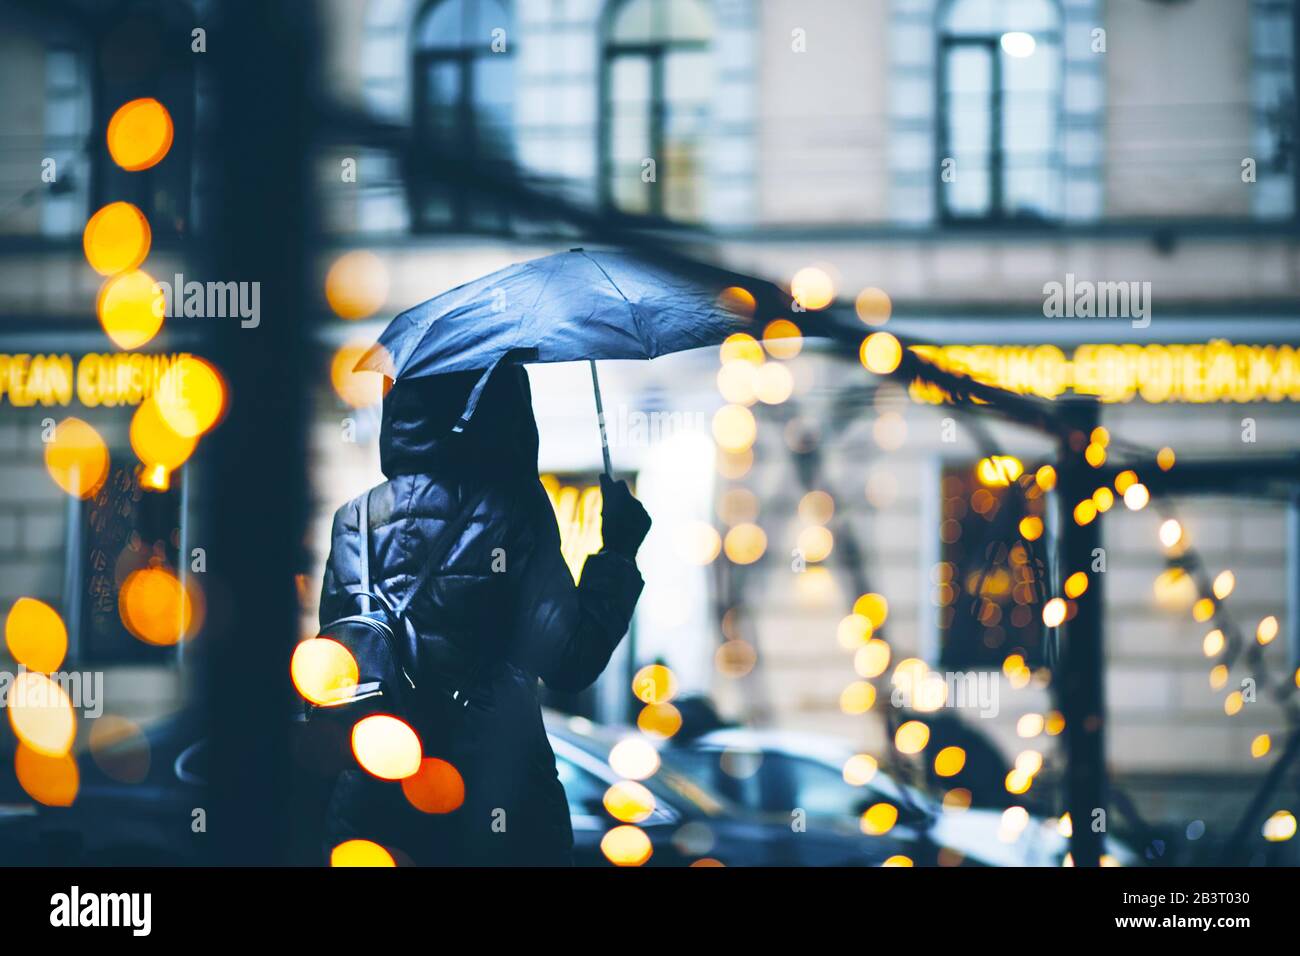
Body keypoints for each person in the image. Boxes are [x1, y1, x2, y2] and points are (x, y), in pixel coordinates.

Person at [317, 364, 651, 865]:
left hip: (374, 802)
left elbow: (336, 663)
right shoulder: (514, 508)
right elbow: (570, 662)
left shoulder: (355, 518)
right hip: (495, 800)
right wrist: (618, 553)